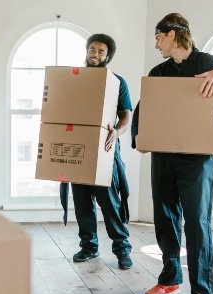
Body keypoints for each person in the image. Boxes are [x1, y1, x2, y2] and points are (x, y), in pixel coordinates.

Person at [130, 13, 213, 294]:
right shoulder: (158, 72)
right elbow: (143, 107)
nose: (156, 45)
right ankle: (170, 279)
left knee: (196, 224)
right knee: (165, 220)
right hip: (163, 157)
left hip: (197, 161)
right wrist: (138, 137)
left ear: (171, 34)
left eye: (158, 38)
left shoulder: (209, 63)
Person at [59, 33, 133, 270]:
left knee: (109, 202)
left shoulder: (117, 82)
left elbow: (126, 116)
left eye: (101, 51)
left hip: (104, 148)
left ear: (107, 56)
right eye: (93, 49)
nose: (95, 54)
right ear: (87, 50)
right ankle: (89, 246)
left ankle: (122, 249)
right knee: (82, 202)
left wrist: (116, 132)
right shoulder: (74, 79)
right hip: (78, 147)